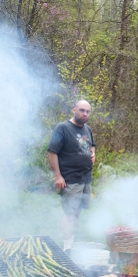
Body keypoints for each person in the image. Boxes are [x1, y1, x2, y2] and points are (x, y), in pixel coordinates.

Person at [47, 100, 96, 253]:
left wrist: (93, 153)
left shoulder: (87, 129)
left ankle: (71, 240)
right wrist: (57, 176)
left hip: (85, 178)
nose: (85, 114)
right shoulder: (63, 128)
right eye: (82, 110)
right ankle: (67, 246)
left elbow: (92, 145)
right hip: (70, 178)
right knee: (70, 213)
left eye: (87, 111)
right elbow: (52, 151)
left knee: (77, 211)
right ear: (74, 109)